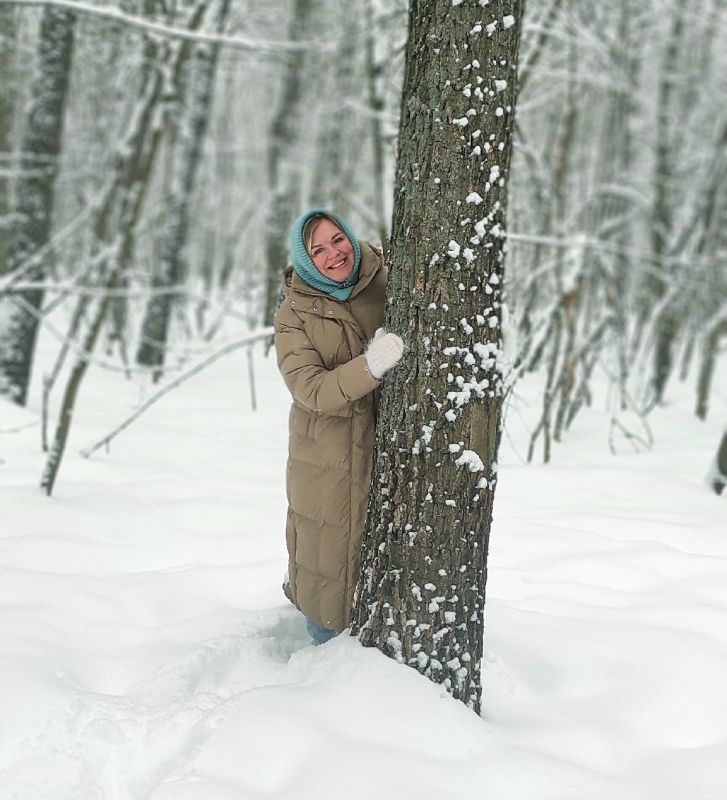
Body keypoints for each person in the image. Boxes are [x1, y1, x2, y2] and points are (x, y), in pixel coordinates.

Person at [274, 209, 404, 645]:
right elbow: (308, 387)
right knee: (329, 558)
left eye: (338, 239)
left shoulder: (389, 275)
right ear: (306, 261)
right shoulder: (294, 313)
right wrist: (370, 366)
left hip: (388, 445)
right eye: (319, 250)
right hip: (326, 454)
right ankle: (323, 661)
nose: (334, 254)